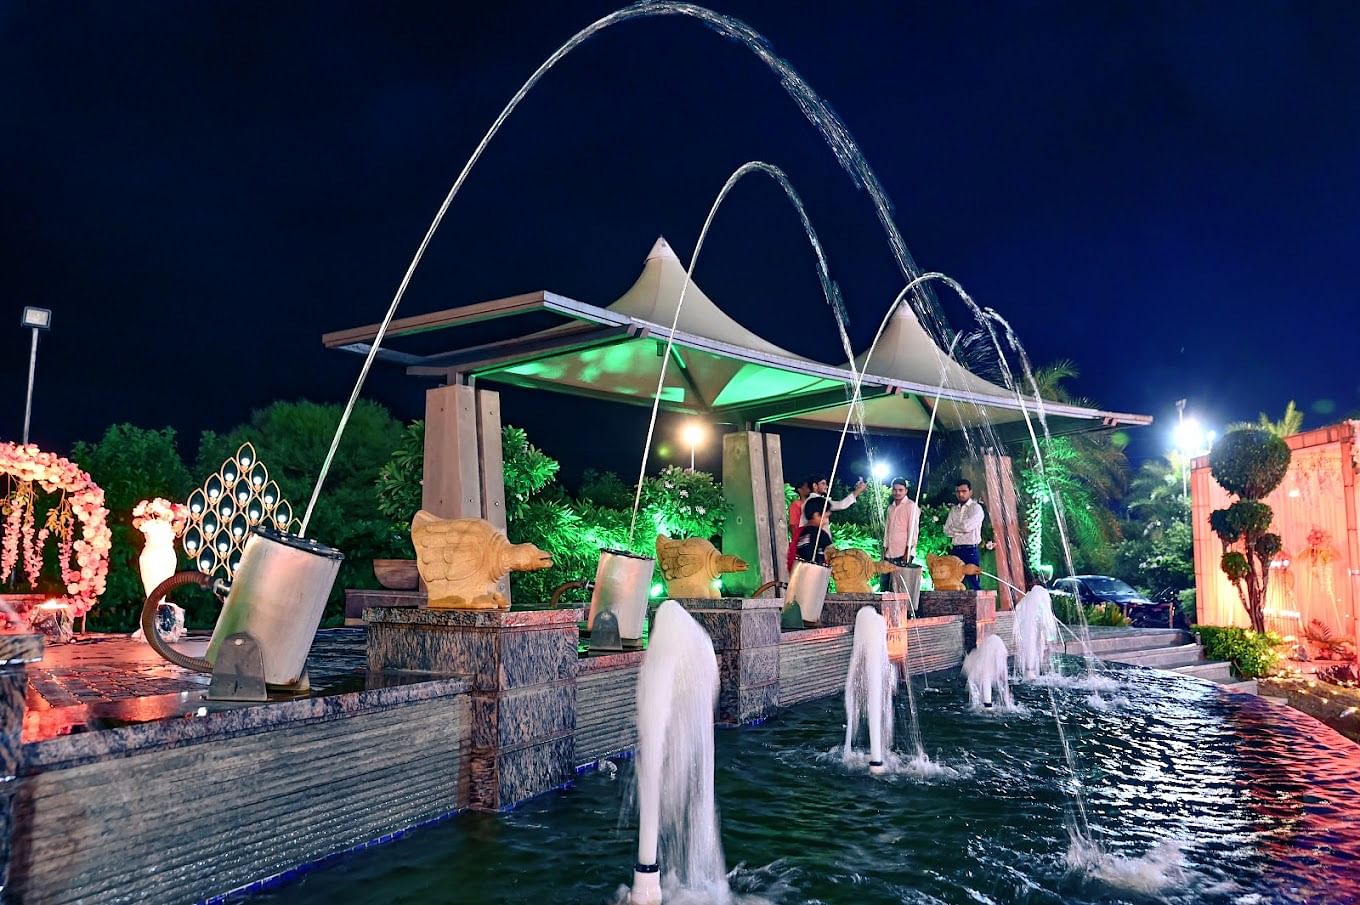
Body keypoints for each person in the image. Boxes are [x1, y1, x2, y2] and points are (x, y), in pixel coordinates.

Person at [943, 478, 986, 591]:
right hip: (956, 550)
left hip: (970, 550)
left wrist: (955, 529)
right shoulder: (954, 510)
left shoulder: (976, 508)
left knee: (973, 582)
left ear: (970, 492)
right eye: (958, 491)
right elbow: (946, 530)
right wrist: (960, 528)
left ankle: (977, 608)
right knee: (954, 582)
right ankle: (958, 608)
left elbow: (967, 527)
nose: (960, 494)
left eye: (964, 491)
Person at [881, 477, 920, 591]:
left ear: (906, 491)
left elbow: (913, 531)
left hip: (903, 553)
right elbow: (887, 530)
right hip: (890, 553)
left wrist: (907, 553)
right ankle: (885, 609)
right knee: (885, 585)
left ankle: (903, 609)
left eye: (900, 490)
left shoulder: (911, 506)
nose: (897, 492)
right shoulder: (890, 508)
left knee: (899, 587)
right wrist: (884, 549)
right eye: (894, 490)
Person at [799, 474, 867, 534]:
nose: (826, 486)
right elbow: (842, 505)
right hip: (818, 542)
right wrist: (858, 491)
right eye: (823, 483)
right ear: (815, 486)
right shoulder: (817, 501)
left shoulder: (809, 501)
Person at [794, 497, 834, 567]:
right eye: (826, 517)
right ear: (816, 515)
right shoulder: (821, 535)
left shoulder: (799, 532)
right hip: (815, 574)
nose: (826, 521)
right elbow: (833, 556)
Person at [786, 478, 813, 572]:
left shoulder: (812, 505)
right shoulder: (796, 505)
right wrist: (798, 545)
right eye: (806, 487)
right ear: (799, 490)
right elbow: (793, 525)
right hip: (803, 542)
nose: (809, 489)